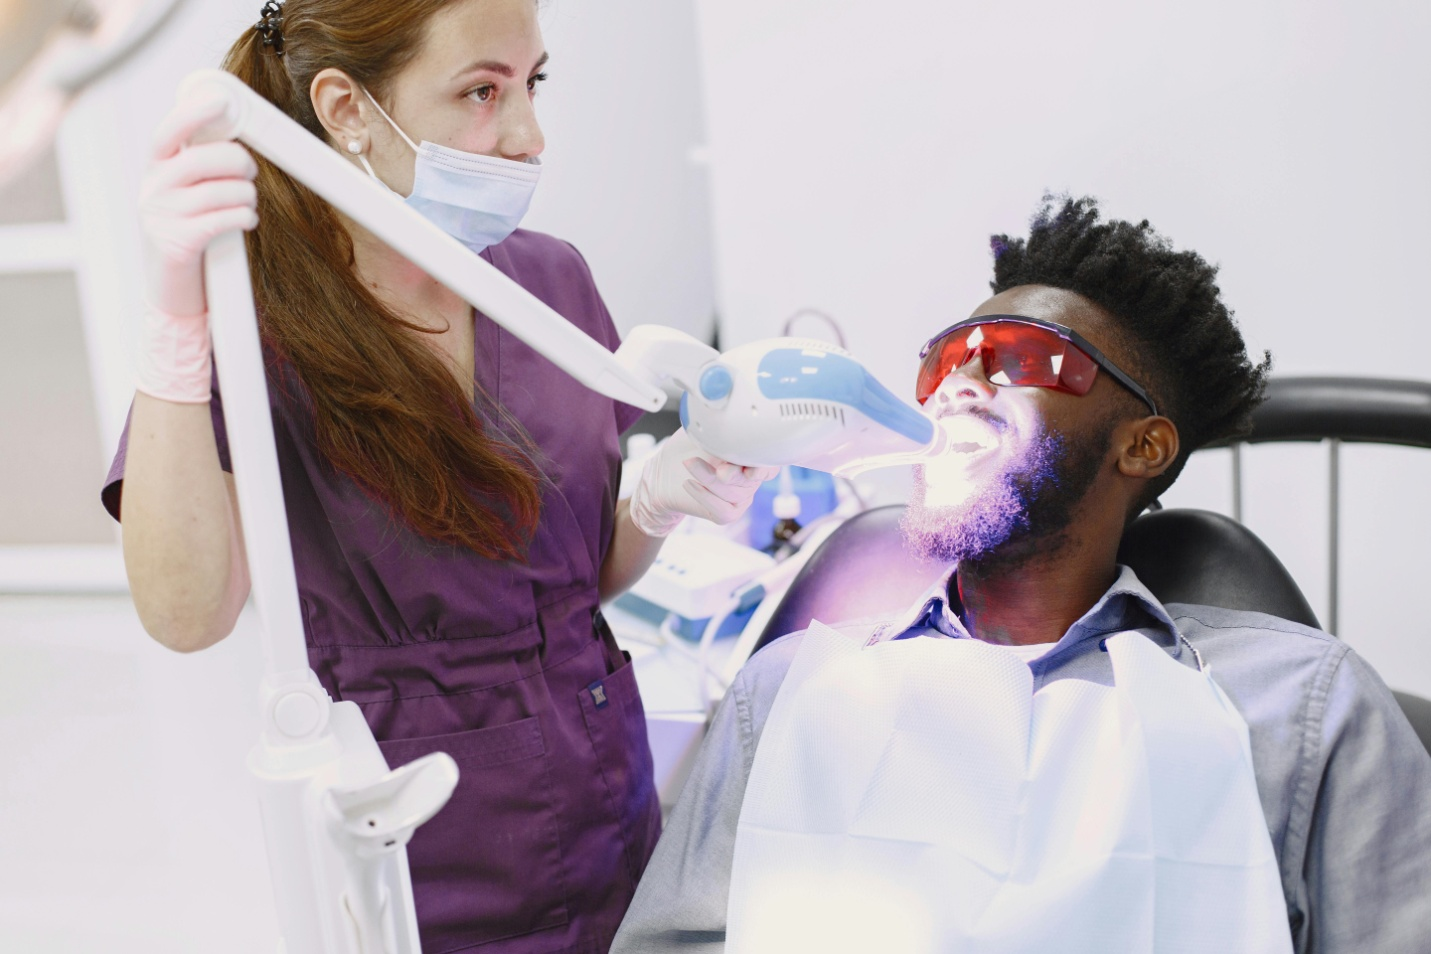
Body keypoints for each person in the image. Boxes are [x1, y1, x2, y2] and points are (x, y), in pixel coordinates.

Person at [102, 1, 775, 951]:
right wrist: (175, 322)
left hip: (607, 808)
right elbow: (185, 613)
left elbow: (574, 581)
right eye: (480, 92)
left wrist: (659, 502)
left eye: (532, 83)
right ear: (346, 108)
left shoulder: (549, 283)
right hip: (410, 842)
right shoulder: (257, 327)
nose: (527, 136)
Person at [611, 196, 1431, 954]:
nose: (960, 384)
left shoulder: (1302, 710)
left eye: (1018, 360)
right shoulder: (785, 691)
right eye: (946, 363)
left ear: (1141, 445)